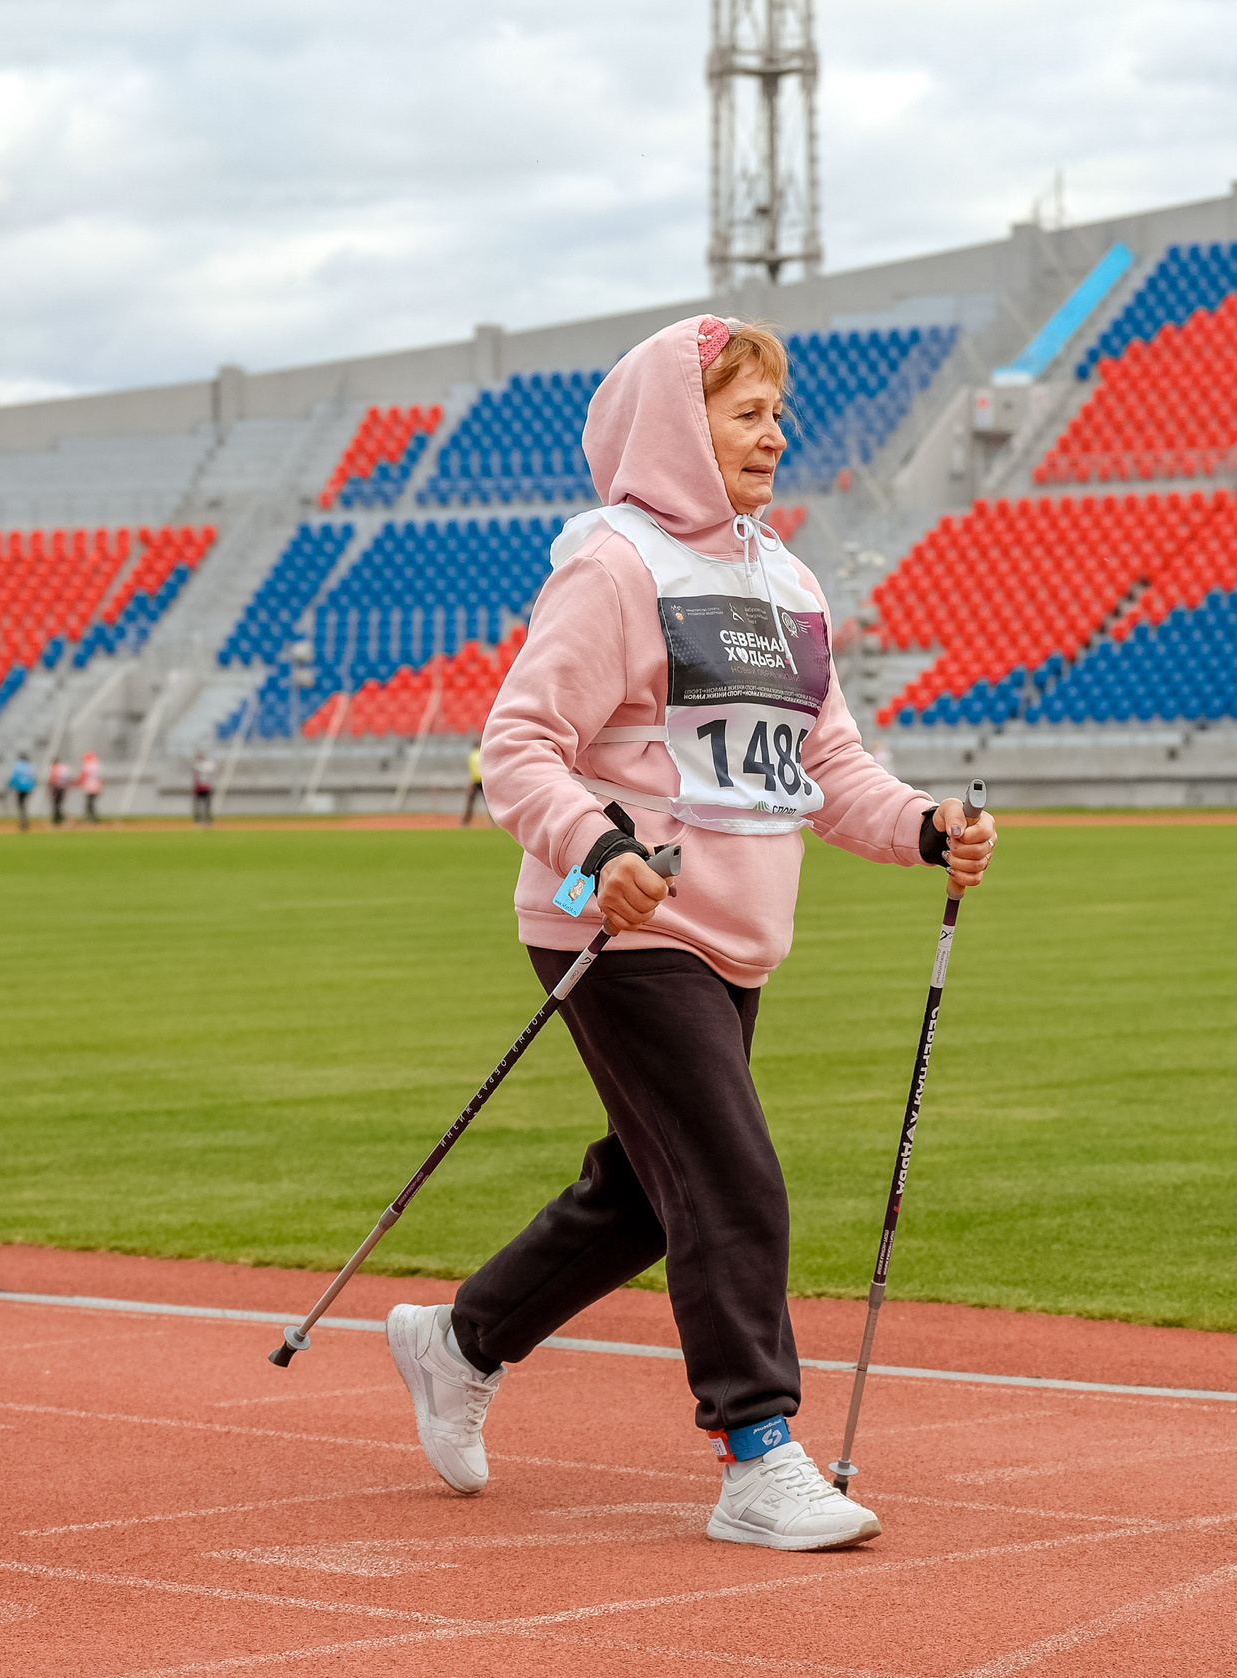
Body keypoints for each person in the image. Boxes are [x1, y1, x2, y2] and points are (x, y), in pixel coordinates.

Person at [384, 316, 996, 1554]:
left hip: (736, 935)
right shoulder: (613, 569)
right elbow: (517, 746)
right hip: (620, 927)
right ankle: (757, 1452)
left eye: (777, 411)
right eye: (745, 411)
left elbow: (822, 766)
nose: (777, 434)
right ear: (678, 426)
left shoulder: (788, 582)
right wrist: (597, 847)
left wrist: (924, 824)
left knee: (648, 1194)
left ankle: (460, 1340)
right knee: (727, 1174)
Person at [7, 752, 36, 832]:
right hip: (28, 788)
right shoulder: (29, 766)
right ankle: (25, 821)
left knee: (21, 805)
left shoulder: (18, 765)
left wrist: (10, 785)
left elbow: (14, 776)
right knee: (23, 805)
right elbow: (33, 778)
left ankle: (23, 822)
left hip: (20, 788)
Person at [460, 737, 485, 826]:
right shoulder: (482, 754)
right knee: (490, 803)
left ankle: (466, 822)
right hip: (483, 781)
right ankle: (495, 822)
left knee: (470, 803)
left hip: (475, 781)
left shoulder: (471, 755)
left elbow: (472, 769)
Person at [191, 748, 217, 828]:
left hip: (206, 787)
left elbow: (209, 770)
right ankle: (198, 821)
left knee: (207, 805)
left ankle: (208, 821)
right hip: (198, 788)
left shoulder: (208, 764)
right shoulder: (196, 764)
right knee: (197, 805)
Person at [79, 750, 104, 824]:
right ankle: (94, 819)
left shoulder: (88, 765)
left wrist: (77, 783)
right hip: (96, 787)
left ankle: (90, 819)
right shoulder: (97, 765)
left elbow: (83, 775)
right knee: (91, 804)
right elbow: (100, 777)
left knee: (89, 804)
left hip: (89, 787)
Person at [47, 757, 70, 828]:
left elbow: (52, 779)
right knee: (59, 804)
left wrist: (50, 787)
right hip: (62, 788)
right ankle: (59, 818)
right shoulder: (63, 768)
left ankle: (57, 819)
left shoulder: (54, 768)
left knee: (56, 804)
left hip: (56, 788)